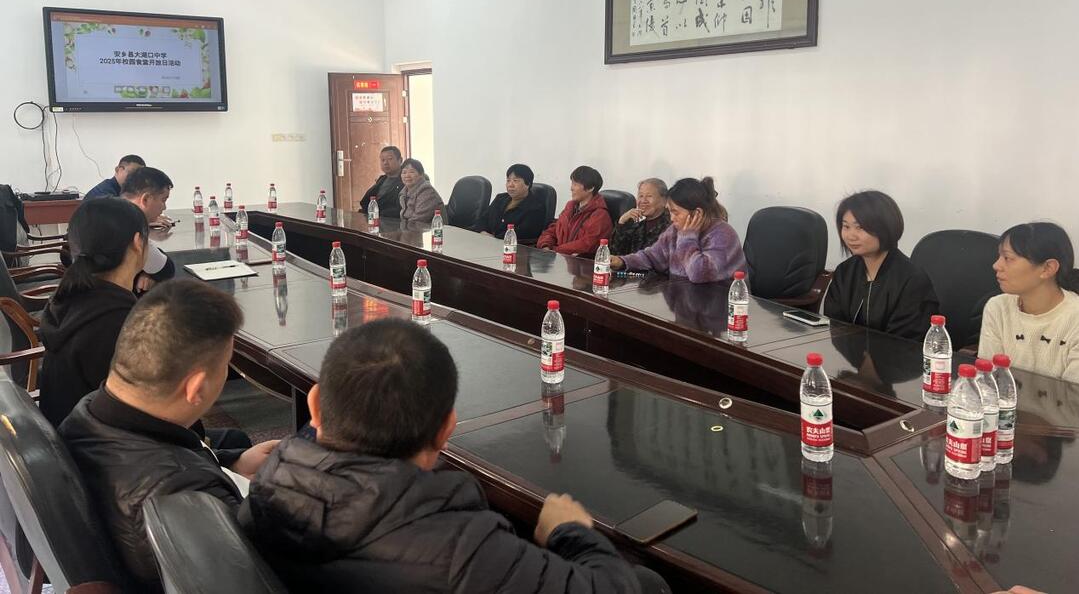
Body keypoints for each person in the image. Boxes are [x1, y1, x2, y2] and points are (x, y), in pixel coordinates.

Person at [240, 319, 666, 594]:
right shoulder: (466, 554)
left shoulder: (270, 479)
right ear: (447, 430)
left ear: (314, 406)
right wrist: (569, 532)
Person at [60, 280, 278, 592]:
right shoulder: (186, 501)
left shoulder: (88, 412)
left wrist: (233, 463)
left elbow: (163, 458)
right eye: (225, 366)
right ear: (195, 388)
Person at [38, 197, 147, 427]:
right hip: (111, 445)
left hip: (70, 438)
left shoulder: (67, 300)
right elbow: (151, 413)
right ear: (138, 243)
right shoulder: (120, 322)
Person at [822, 190, 939, 341]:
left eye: (860, 227)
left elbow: (905, 343)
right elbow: (834, 328)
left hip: (895, 355)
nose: (851, 236)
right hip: (848, 355)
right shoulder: (844, 272)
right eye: (846, 226)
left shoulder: (912, 280)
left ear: (885, 227)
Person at [979, 222, 1079, 382]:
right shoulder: (997, 307)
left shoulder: (1075, 319)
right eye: (999, 257)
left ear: (1047, 268)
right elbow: (988, 379)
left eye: (1008, 258)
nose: (996, 265)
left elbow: (1073, 393)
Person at [610, 177, 746, 283]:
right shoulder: (675, 230)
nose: (671, 218)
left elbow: (699, 275)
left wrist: (687, 237)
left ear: (697, 213)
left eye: (675, 212)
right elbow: (652, 257)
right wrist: (622, 261)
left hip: (718, 305)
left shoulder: (722, 234)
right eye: (670, 212)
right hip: (684, 300)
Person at [119, 166, 176, 290]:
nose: (164, 207)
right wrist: (150, 271)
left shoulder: (108, 212)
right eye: (163, 200)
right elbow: (166, 269)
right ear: (145, 199)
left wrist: (145, 270)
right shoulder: (130, 224)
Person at [537, 166, 613, 257]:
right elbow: (553, 230)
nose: (571, 188)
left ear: (590, 188)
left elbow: (587, 244)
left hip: (579, 262)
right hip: (560, 257)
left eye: (575, 184)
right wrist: (545, 246)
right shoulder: (570, 208)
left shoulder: (600, 215)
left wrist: (555, 251)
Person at [473, 163, 548, 243]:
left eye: (515, 181)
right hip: (487, 242)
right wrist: (483, 232)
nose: (510, 185)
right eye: (508, 180)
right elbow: (482, 219)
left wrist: (494, 239)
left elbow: (521, 234)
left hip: (510, 247)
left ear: (528, 184)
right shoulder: (500, 199)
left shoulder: (535, 208)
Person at [609, 178, 671, 256]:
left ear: (664, 200)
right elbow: (614, 254)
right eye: (641, 196)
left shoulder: (672, 228)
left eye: (649, 196)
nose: (643, 201)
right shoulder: (636, 225)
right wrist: (622, 223)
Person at [360, 145, 405, 220]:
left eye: (390, 159)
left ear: (400, 160)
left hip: (391, 222)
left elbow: (399, 209)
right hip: (373, 218)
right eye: (383, 160)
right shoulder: (382, 179)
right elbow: (365, 201)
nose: (385, 163)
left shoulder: (405, 181)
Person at [398, 157, 444, 226]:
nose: (407, 175)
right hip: (412, 229)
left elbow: (418, 220)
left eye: (412, 172)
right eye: (404, 172)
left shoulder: (427, 191)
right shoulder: (404, 192)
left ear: (421, 175)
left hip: (432, 231)